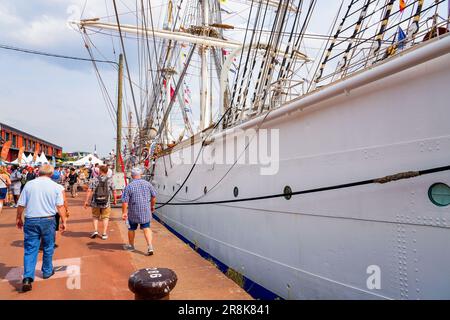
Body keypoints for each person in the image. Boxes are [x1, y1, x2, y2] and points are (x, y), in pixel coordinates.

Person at [16, 164, 67, 292]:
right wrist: (64, 220)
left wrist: (18, 217)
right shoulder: (56, 187)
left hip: (31, 220)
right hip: (48, 220)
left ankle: (27, 277)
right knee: (48, 247)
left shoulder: (29, 184)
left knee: (30, 248)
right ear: (51, 174)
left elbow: (21, 204)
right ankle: (47, 271)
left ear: (39, 173)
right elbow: (60, 206)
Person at [121, 167, 157, 256]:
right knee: (146, 228)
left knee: (131, 228)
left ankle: (131, 246)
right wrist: (152, 206)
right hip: (145, 210)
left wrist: (124, 213)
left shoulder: (129, 186)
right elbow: (154, 197)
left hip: (133, 211)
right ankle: (150, 246)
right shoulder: (148, 184)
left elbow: (125, 201)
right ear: (140, 175)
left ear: (132, 176)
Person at [84, 165, 116, 240]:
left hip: (96, 201)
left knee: (95, 216)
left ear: (101, 171)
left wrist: (86, 201)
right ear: (107, 171)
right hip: (106, 202)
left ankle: (95, 230)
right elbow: (114, 191)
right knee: (105, 217)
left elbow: (89, 190)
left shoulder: (94, 179)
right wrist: (115, 200)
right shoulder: (110, 180)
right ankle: (104, 233)